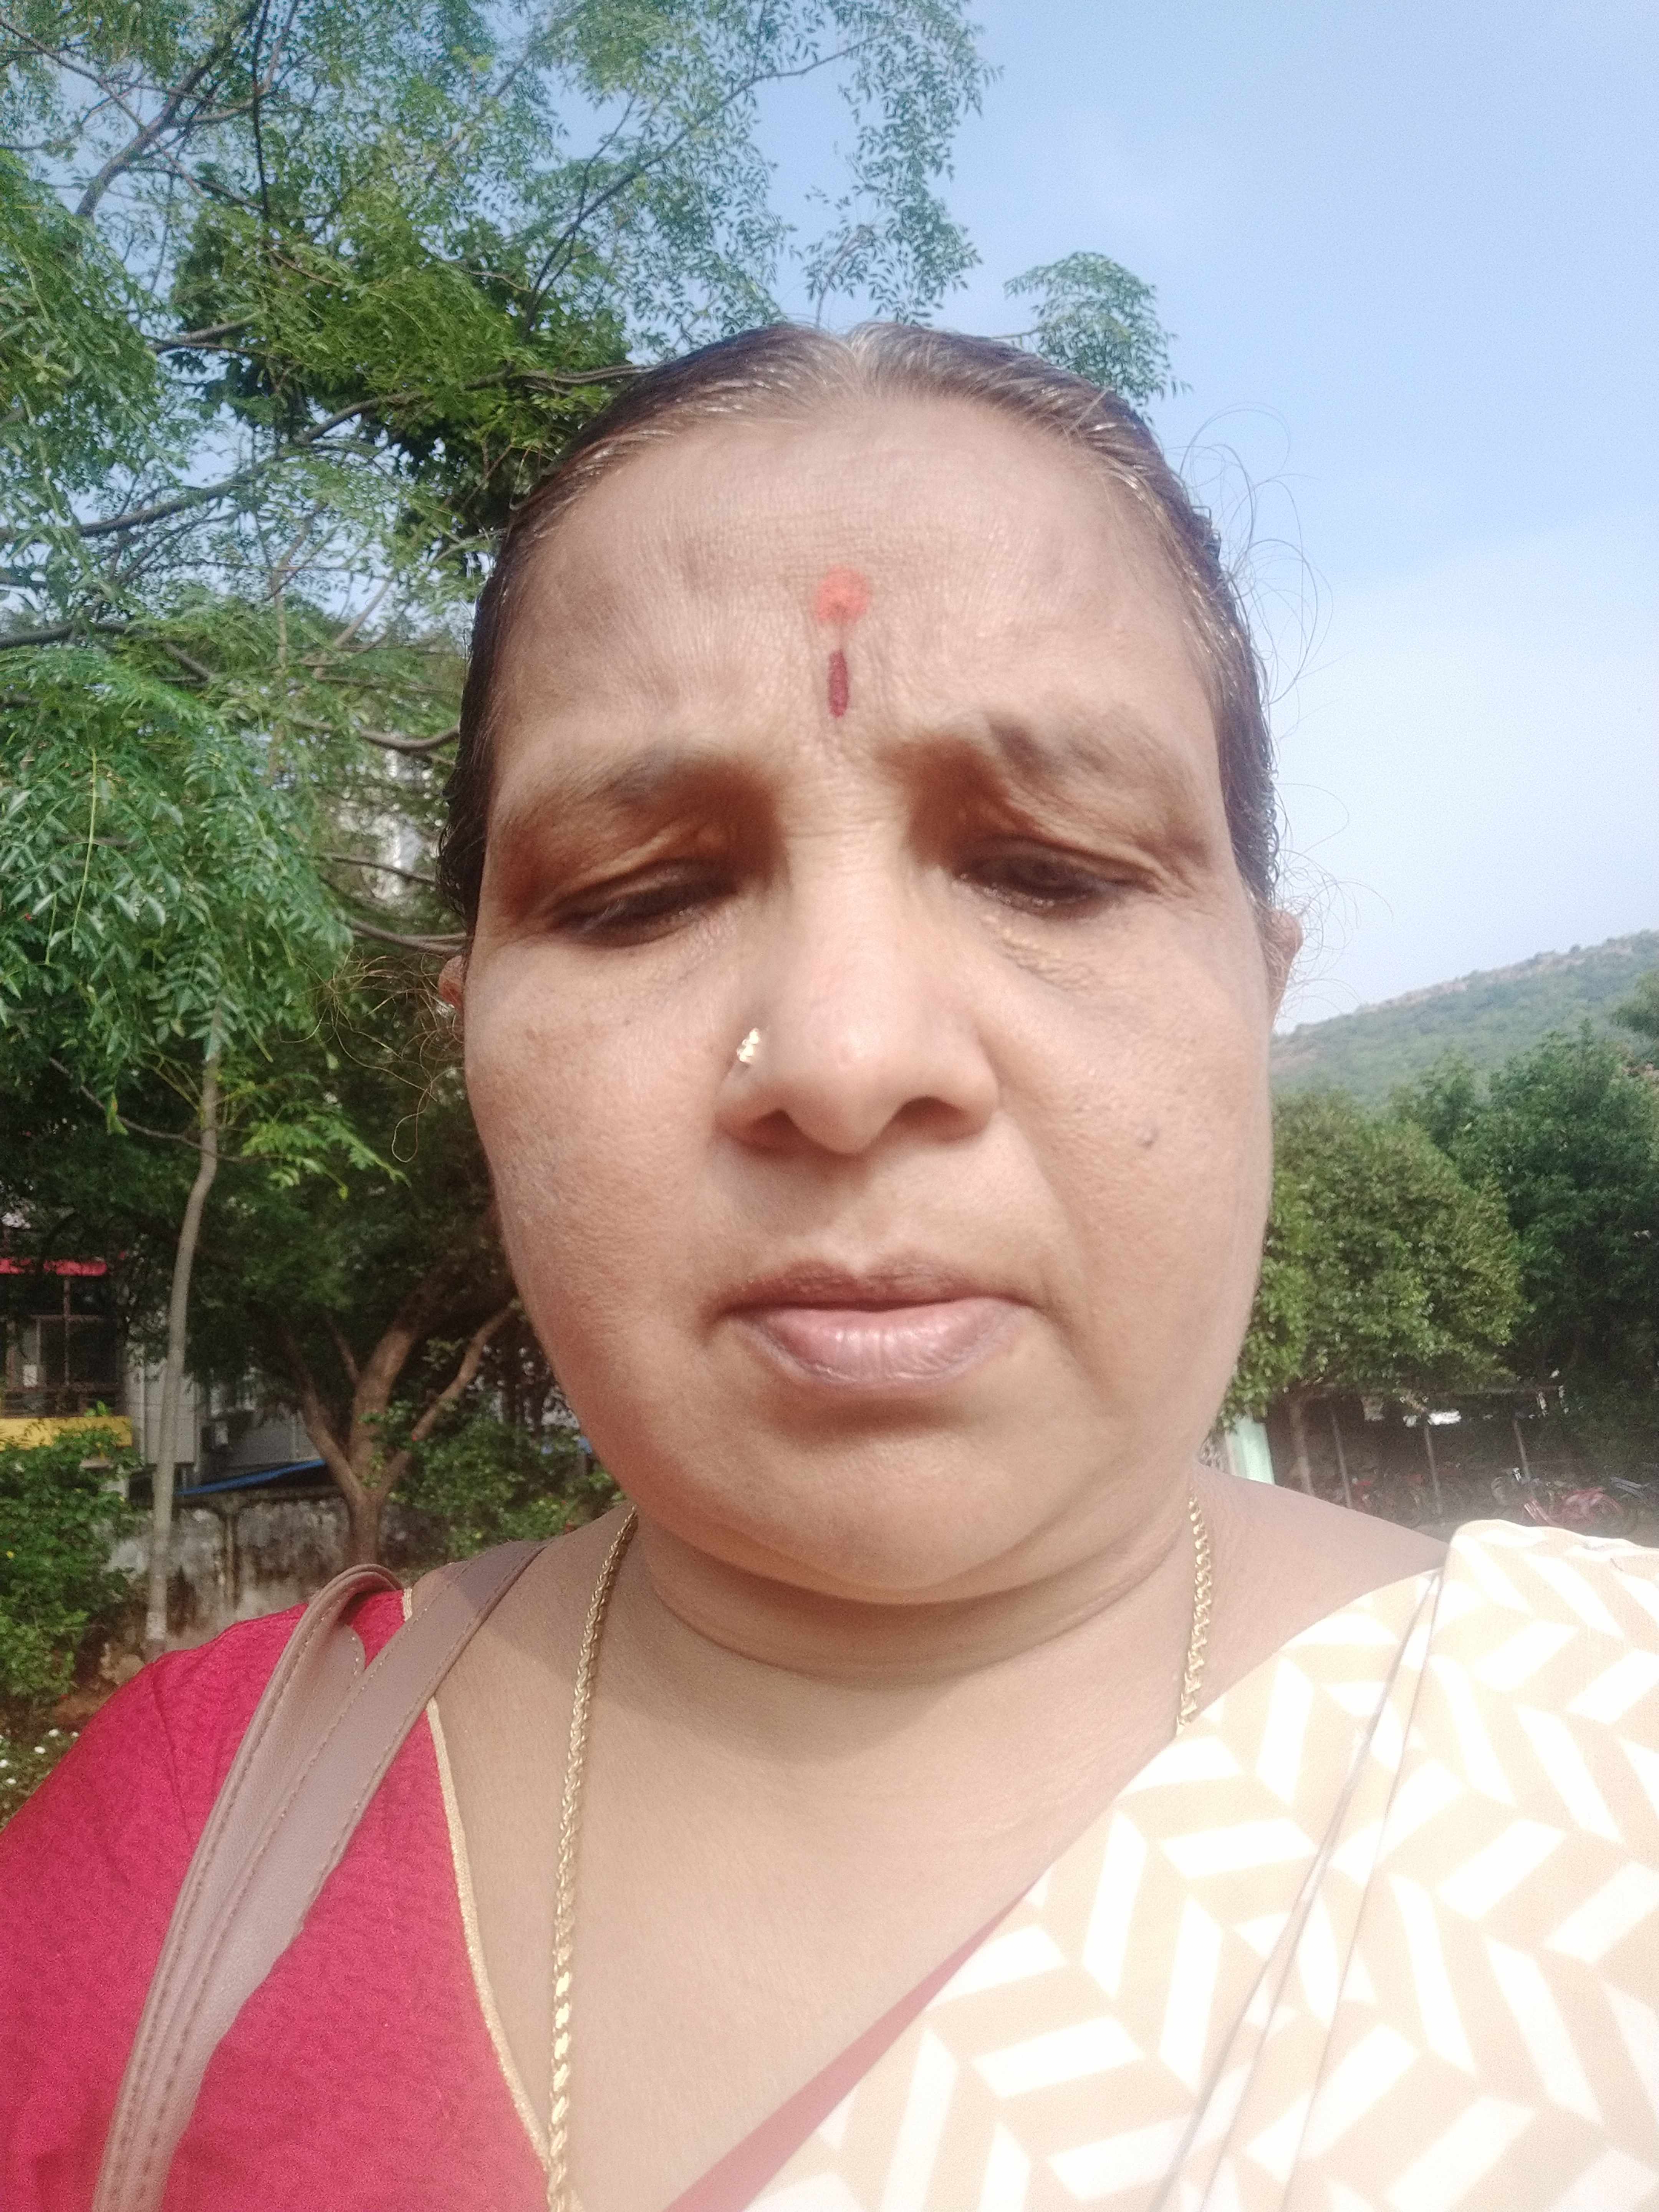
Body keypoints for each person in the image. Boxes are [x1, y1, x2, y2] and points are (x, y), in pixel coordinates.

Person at [4, 323, 1657, 2212]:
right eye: (641, 895)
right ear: (471, 1043)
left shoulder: (1595, 1752)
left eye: (1050, 871)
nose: (850, 1060)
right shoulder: (171, 1881)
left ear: (1258, 994)